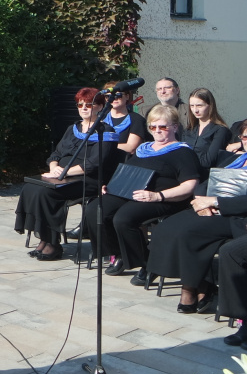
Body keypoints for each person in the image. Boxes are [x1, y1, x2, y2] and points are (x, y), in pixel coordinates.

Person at [83, 104, 203, 283]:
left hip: (162, 198)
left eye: (162, 127)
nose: (157, 131)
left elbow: (190, 185)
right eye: (152, 127)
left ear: (175, 127)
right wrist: (111, 185)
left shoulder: (183, 152)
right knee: (95, 209)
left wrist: (157, 196)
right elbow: (127, 171)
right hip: (130, 192)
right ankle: (120, 253)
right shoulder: (144, 149)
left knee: (123, 218)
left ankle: (149, 263)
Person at [14, 88, 121, 261]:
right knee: (31, 188)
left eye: (89, 104)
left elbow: (94, 164)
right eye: (80, 104)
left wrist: (64, 172)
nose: (84, 108)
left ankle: (53, 244)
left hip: (87, 179)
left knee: (46, 193)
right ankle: (45, 238)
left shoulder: (106, 133)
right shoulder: (73, 129)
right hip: (61, 176)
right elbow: (56, 154)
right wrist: (54, 167)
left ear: (100, 107)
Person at [147, 142, 247, 314]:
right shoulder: (235, 159)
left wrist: (216, 202)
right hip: (212, 208)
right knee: (167, 227)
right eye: (245, 136)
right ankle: (201, 283)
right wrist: (200, 202)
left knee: (189, 233)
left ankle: (190, 288)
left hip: (237, 216)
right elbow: (205, 183)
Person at [184, 87, 232, 171]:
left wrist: (185, 162)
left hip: (206, 175)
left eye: (199, 105)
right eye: (192, 106)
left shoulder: (220, 130)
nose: (195, 110)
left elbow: (208, 161)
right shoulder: (189, 129)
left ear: (210, 106)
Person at [102, 82, 147, 156]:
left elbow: (131, 148)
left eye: (118, 95)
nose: (114, 98)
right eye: (108, 96)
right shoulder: (101, 118)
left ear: (127, 96)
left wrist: (102, 146)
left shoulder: (137, 120)